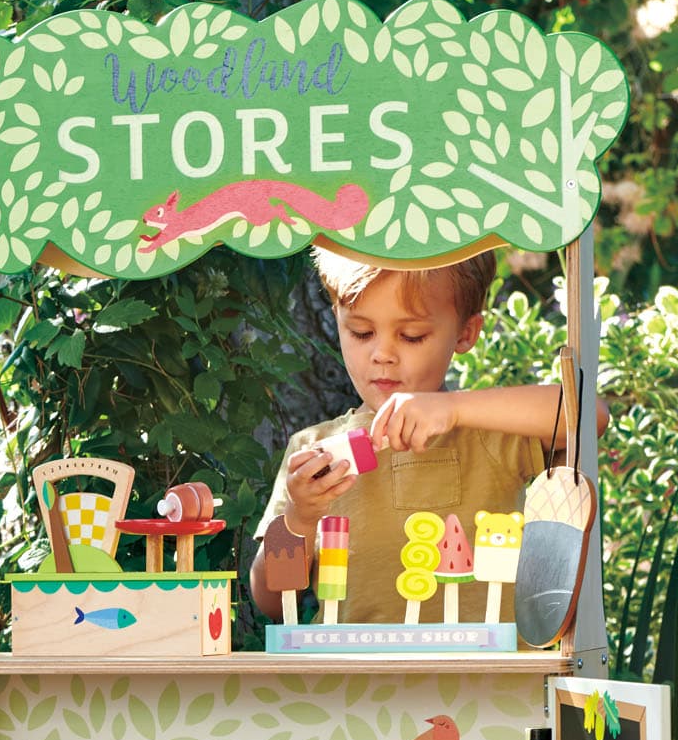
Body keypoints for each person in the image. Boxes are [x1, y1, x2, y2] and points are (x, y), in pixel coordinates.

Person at [250, 247, 608, 625]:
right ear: (337, 319)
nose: (382, 353)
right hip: (355, 678)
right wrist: (299, 519)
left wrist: (454, 409)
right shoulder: (311, 455)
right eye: (361, 332)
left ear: (465, 333)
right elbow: (272, 602)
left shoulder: (487, 430)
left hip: (482, 675)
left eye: (412, 335)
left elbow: (591, 414)